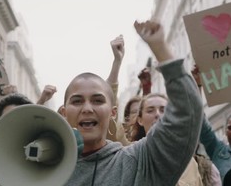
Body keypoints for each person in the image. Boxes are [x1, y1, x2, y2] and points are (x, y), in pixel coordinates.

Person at [62, 20, 203, 185]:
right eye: (77, 101)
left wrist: (161, 49)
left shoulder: (139, 161)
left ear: (113, 112)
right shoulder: (44, 169)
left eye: (97, 100)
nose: (87, 108)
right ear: (64, 113)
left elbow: (187, 113)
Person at [131, 93, 204, 186]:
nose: (157, 114)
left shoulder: (189, 162)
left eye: (163, 110)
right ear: (140, 120)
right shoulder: (130, 157)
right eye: (150, 111)